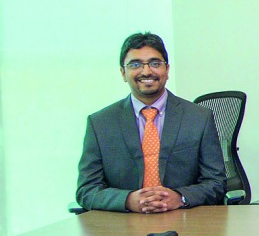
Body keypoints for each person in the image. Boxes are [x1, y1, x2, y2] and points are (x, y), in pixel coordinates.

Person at [76, 31, 224, 214]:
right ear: (123, 72)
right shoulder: (100, 123)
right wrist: (128, 200)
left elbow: (216, 182)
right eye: (135, 64)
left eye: (155, 63)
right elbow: (87, 190)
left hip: (184, 220)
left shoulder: (198, 118)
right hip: (122, 226)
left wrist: (180, 197)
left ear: (167, 70)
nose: (146, 71)